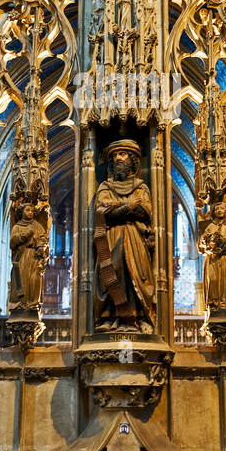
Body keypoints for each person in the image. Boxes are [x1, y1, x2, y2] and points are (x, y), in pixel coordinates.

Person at [93, 139, 155, 332]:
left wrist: (118, 207)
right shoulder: (105, 187)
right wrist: (129, 206)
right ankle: (109, 318)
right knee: (111, 275)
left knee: (136, 274)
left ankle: (139, 319)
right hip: (110, 238)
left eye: (123, 154)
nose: (118, 158)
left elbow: (146, 211)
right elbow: (102, 211)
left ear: (132, 159)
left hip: (134, 237)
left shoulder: (141, 187)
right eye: (115, 155)